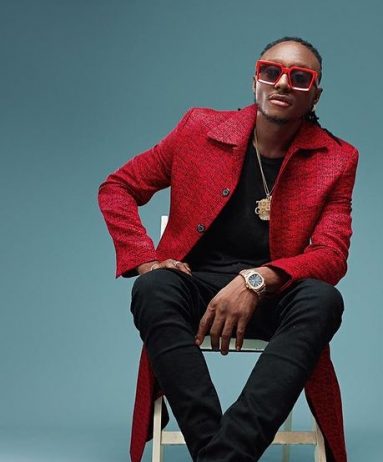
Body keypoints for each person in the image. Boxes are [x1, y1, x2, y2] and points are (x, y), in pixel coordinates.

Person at [98, 36, 359, 462]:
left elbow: (332, 255)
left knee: (323, 298)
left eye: (299, 77)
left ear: (315, 94)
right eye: (271, 72)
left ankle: (220, 455)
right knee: (152, 289)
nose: (282, 83)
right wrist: (145, 259)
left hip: (274, 296)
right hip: (197, 289)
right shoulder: (198, 129)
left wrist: (257, 280)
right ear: (255, 80)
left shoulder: (336, 158)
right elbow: (118, 188)